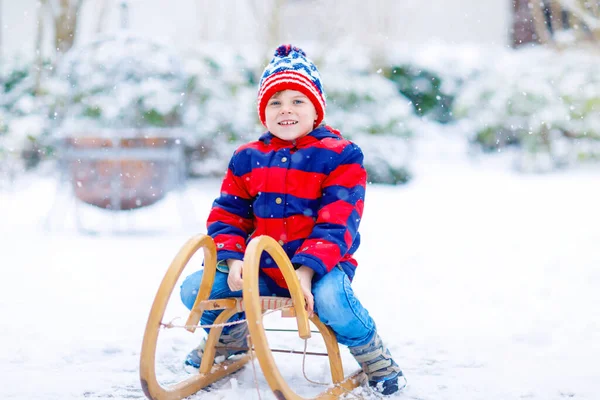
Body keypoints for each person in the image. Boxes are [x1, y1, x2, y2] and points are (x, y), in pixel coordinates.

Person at [180, 44, 406, 396]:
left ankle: (372, 355)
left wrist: (306, 271)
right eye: (275, 102)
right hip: (259, 267)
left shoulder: (340, 156)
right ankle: (231, 340)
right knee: (196, 288)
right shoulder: (247, 157)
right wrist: (233, 258)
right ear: (263, 112)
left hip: (318, 269)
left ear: (316, 110)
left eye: (297, 101)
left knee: (334, 301)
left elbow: (339, 220)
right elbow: (228, 213)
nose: (286, 110)